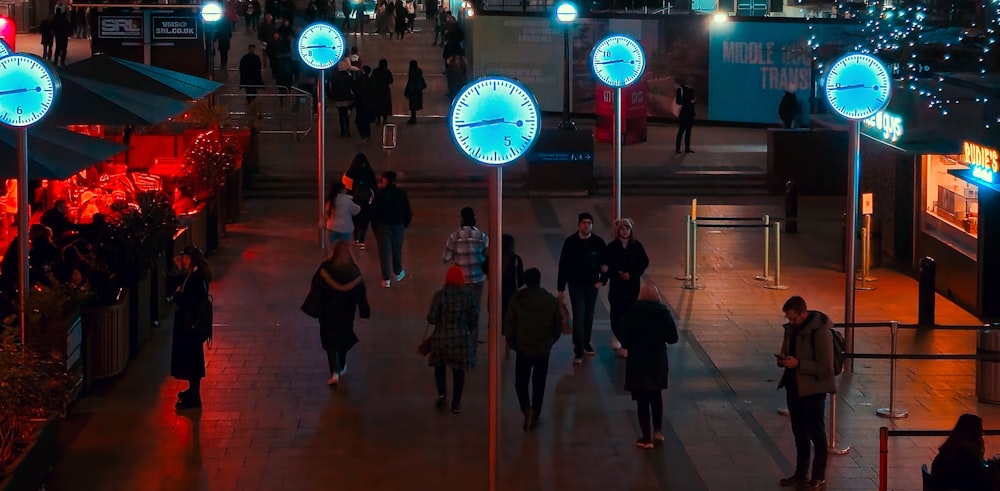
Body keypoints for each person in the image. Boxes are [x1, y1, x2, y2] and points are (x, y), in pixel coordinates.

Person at [776, 295, 836, 490]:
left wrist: (798, 364)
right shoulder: (791, 330)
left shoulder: (820, 332)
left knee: (816, 433)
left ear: (803, 313)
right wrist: (784, 360)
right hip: (794, 386)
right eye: (788, 319)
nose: (790, 322)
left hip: (813, 390)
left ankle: (818, 477)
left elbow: (826, 368)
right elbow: (788, 350)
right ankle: (801, 474)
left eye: (793, 318)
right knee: (799, 432)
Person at [619, 284, 678, 449]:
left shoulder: (632, 313)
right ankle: (657, 431)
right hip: (657, 360)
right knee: (656, 397)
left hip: (638, 362)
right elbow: (673, 337)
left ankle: (645, 438)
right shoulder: (663, 313)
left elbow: (624, 338)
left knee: (642, 401)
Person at [504, 267, 561, 431]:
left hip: (523, 348)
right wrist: (550, 341)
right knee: (539, 382)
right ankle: (535, 413)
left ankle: (526, 409)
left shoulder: (517, 300)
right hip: (543, 348)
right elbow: (558, 325)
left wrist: (514, 344)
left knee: (521, 382)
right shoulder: (550, 300)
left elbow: (509, 325)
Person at [314, 240, 370, 385]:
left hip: (328, 312)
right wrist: (364, 313)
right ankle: (343, 365)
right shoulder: (354, 271)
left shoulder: (325, 268)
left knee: (330, 341)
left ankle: (334, 372)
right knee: (343, 338)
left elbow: (315, 285)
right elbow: (361, 294)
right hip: (346, 313)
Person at [427, 266, 479, 414]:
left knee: (440, 367)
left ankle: (442, 395)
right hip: (461, 339)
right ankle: (456, 403)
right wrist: (467, 328)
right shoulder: (468, 296)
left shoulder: (439, 295)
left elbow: (432, 318)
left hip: (441, 339)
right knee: (458, 371)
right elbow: (474, 318)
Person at [557, 212, 605, 365]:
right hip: (575, 284)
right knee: (579, 315)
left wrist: (602, 281)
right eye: (584, 223)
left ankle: (586, 342)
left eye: (589, 223)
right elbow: (563, 265)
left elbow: (606, 264)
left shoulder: (598, 242)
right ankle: (578, 349)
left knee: (589, 315)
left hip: (592, 285)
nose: (587, 225)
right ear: (579, 224)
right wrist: (561, 288)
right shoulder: (571, 242)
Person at [169, 246, 212, 410]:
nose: (184, 261)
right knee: (191, 358)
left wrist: (180, 295)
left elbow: (192, 299)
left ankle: (195, 395)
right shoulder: (194, 274)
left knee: (192, 359)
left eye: (186, 258)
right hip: (190, 323)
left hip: (190, 324)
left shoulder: (196, 277)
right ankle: (193, 391)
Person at [601, 218, 649, 356]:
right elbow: (606, 264)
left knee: (630, 313)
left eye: (627, 228)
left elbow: (643, 262)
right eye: (622, 228)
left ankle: (627, 343)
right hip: (617, 286)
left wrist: (632, 274)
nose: (625, 231)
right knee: (616, 313)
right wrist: (612, 274)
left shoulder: (637, 246)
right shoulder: (612, 247)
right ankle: (618, 335)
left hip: (631, 286)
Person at [442, 206, 488, 314]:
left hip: (460, 280)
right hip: (477, 279)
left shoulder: (454, 237)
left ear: (461, 220)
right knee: (475, 309)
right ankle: (474, 330)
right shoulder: (482, 237)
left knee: (460, 310)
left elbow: (446, 259)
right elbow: (487, 256)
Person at [370, 170, 412, 288]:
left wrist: (375, 227)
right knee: (397, 250)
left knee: (384, 252)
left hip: (383, 225)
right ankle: (398, 271)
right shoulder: (401, 193)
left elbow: (374, 211)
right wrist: (404, 225)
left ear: (385, 180)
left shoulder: (380, 193)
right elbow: (407, 211)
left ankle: (386, 279)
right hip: (398, 225)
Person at [345, 153, 377, 249]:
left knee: (355, 219)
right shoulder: (369, 172)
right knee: (364, 220)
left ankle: (355, 238)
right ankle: (362, 240)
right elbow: (374, 186)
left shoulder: (351, 172)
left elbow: (347, 186)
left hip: (354, 199)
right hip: (366, 200)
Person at [324, 180, 360, 254]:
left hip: (331, 228)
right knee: (346, 252)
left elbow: (326, 213)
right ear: (341, 190)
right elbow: (356, 210)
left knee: (331, 252)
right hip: (345, 228)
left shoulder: (330, 200)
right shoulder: (347, 200)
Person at [330, 68, 355, 137]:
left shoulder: (334, 77)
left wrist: (332, 96)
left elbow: (332, 88)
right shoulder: (349, 77)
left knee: (341, 115)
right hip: (347, 97)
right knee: (346, 115)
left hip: (338, 98)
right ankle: (347, 129)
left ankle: (342, 130)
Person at [354, 65, 374, 144]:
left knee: (360, 120)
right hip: (367, 104)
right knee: (366, 121)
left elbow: (355, 90)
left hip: (360, 103)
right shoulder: (370, 81)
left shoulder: (358, 80)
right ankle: (367, 136)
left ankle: (363, 135)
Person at [675, 79, 696, 154]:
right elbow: (678, 101)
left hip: (690, 112)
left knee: (688, 131)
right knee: (681, 130)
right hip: (684, 113)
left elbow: (693, 100)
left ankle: (687, 147)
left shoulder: (691, 90)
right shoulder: (680, 89)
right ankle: (678, 148)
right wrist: (688, 101)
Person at [371, 59, 394, 125]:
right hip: (385, 90)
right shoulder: (387, 71)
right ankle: (384, 120)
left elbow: (372, 80)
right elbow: (391, 81)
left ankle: (378, 120)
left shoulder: (375, 71)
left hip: (377, 90)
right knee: (385, 105)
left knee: (377, 104)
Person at [404, 60, 426, 125]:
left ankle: (413, 118)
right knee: (414, 105)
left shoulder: (412, 72)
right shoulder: (419, 71)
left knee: (412, 105)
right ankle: (413, 118)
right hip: (418, 90)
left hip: (413, 90)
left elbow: (410, 82)